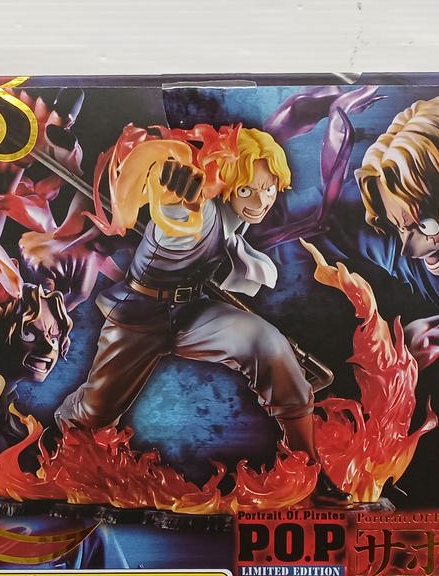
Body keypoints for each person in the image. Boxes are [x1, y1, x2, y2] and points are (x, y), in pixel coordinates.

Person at [54, 127, 351, 504]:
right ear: (226, 184)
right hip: (141, 316)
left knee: (268, 345)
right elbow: (174, 200)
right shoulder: (196, 207)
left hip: (192, 311)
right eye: (247, 190)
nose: (260, 201)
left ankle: (307, 470)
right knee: (95, 412)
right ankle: (67, 456)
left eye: (268, 189)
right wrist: (172, 187)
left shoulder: (237, 218)